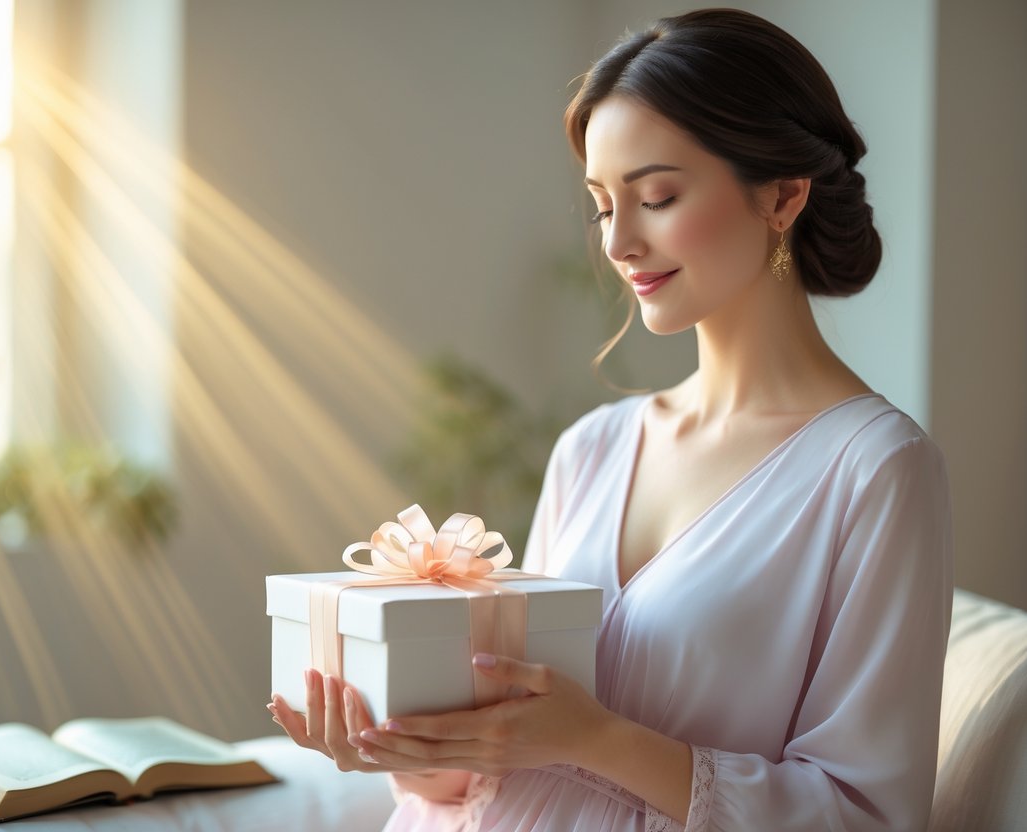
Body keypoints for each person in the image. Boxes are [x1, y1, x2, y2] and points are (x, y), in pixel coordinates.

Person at [269, 8, 953, 830]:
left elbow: (866, 815)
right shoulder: (591, 448)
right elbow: (509, 753)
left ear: (781, 194)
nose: (620, 241)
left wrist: (598, 738)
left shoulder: (874, 469)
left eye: (656, 197)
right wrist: (406, 750)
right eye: (601, 206)